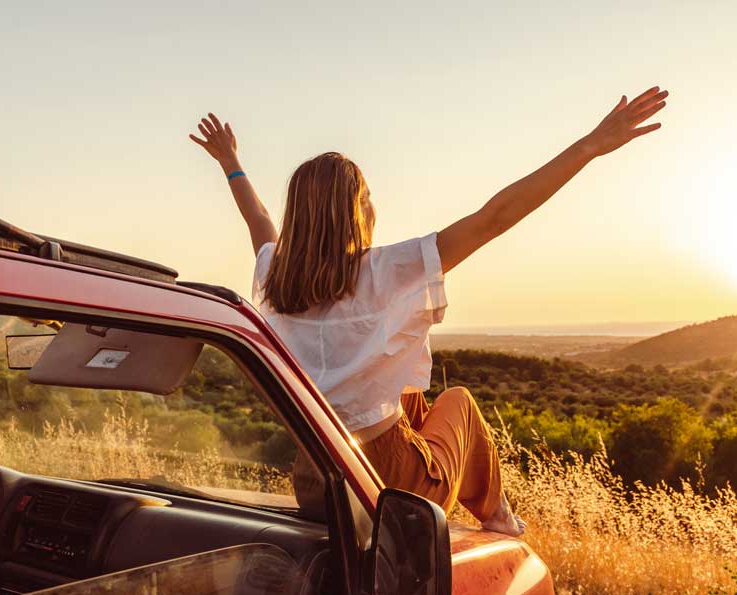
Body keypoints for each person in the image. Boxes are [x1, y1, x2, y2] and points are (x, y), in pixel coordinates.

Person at [189, 87, 667, 536]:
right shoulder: (387, 270)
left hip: (314, 478)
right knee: (457, 401)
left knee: (413, 400)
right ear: (355, 210)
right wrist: (589, 146)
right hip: (390, 481)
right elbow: (495, 217)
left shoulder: (276, 277)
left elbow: (259, 224)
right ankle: (498, 515)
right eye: (367, 196)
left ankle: (488, 505)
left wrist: (232, 163)